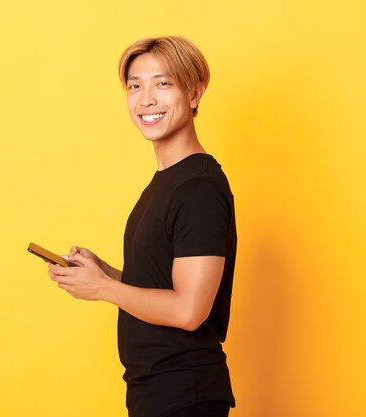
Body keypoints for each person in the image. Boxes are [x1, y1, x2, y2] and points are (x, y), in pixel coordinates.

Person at [48, 35, 237, 417]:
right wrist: (109, 273)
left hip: (184, 392)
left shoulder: (198, 188)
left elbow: (189, 310)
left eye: (162, 84)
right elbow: (166, 287)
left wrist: (104, 288)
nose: (146, 99)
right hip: (156, 392)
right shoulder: (165, 183)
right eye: (135, 86)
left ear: (195, 93)